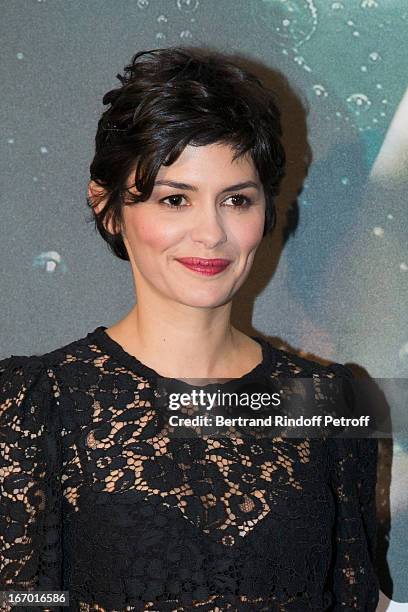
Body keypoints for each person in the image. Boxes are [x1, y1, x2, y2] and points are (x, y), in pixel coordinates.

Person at [0, 46, 379, 611]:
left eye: (236, 200)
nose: (211, 234)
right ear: (108, 208)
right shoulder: (38, 403)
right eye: (175, 199)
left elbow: (350, 596)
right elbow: (23, 598)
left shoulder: (327, 402)